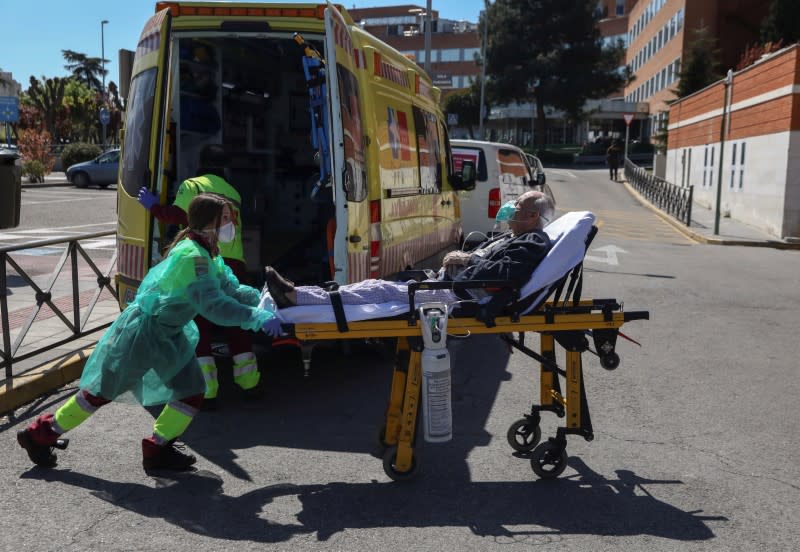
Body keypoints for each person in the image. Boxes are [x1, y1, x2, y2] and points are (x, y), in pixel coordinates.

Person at [17, 194, 282, 472]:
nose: (232, 224)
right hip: (144, 335)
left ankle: (157, 449)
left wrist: (262, 297)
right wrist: (256, 318)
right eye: (225, 218)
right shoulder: (193, 257)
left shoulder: (208, 252)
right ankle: (39, 435)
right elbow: (214, 305)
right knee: (100, 393)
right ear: (208, 222)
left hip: (165, 334)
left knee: (191, 390)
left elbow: (229, 289)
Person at [264, 191, 554, 321]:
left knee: (379, 289)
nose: (509, 210)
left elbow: (505, 275)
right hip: (449, 286)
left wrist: (467, 260)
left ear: (531, 216)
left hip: (459, 297)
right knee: (373, 287)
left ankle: (296, 298)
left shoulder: (532, 241)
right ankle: (300, 294)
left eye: (515, 207)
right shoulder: (516, 236)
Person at [137, 144, 257, 410]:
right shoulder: (233, 192)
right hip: (234, 263)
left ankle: (209, 391)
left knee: (200, 323)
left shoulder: (192, 185)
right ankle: (249, 383)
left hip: (205, 261)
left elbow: (178, 217)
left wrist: (154, 206)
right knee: (236, 321)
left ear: (200, 164)